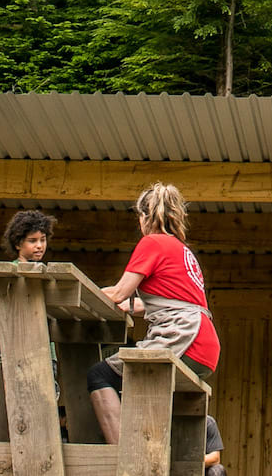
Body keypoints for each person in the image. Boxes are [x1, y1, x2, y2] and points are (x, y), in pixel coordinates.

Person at [89, 183, 218, 441]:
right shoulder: (182, 250)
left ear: (145, 217)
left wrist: (88, 292)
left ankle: (121, 456)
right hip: (205, 345)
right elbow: (143, 303)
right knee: (143, 385)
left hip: (182, 338)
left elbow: (120, 293)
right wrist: (125, 304)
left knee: (100, 374)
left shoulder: (152, 243)